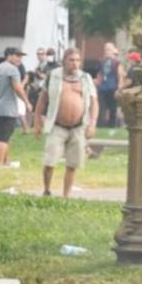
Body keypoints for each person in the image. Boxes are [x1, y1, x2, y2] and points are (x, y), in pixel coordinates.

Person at [33, 49, 97, 198]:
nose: (75, 63)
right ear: (64, 61)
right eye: (71, 60)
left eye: (77, 60)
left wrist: (92, 123)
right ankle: (47, 190)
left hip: (78, 127)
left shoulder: (85, 78)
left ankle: (66, 196)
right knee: (50, 161)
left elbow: (94, 102)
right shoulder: (54, 76)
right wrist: (37, 122)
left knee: (72, 164)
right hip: (57, 125)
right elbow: (42, 100)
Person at [97, 42, 122, 128]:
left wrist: (119, 88)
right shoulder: (102, 61)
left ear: (113, 50)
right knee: (101, 107)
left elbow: (120, 75)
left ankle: (112, 125)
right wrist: (97, 82)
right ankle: (100, 124)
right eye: (105, 49)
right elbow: (100, 73)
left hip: (112, 87)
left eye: (108, 49)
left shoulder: (117, 62)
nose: (106, 51)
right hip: (103, 87)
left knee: (112, 108)